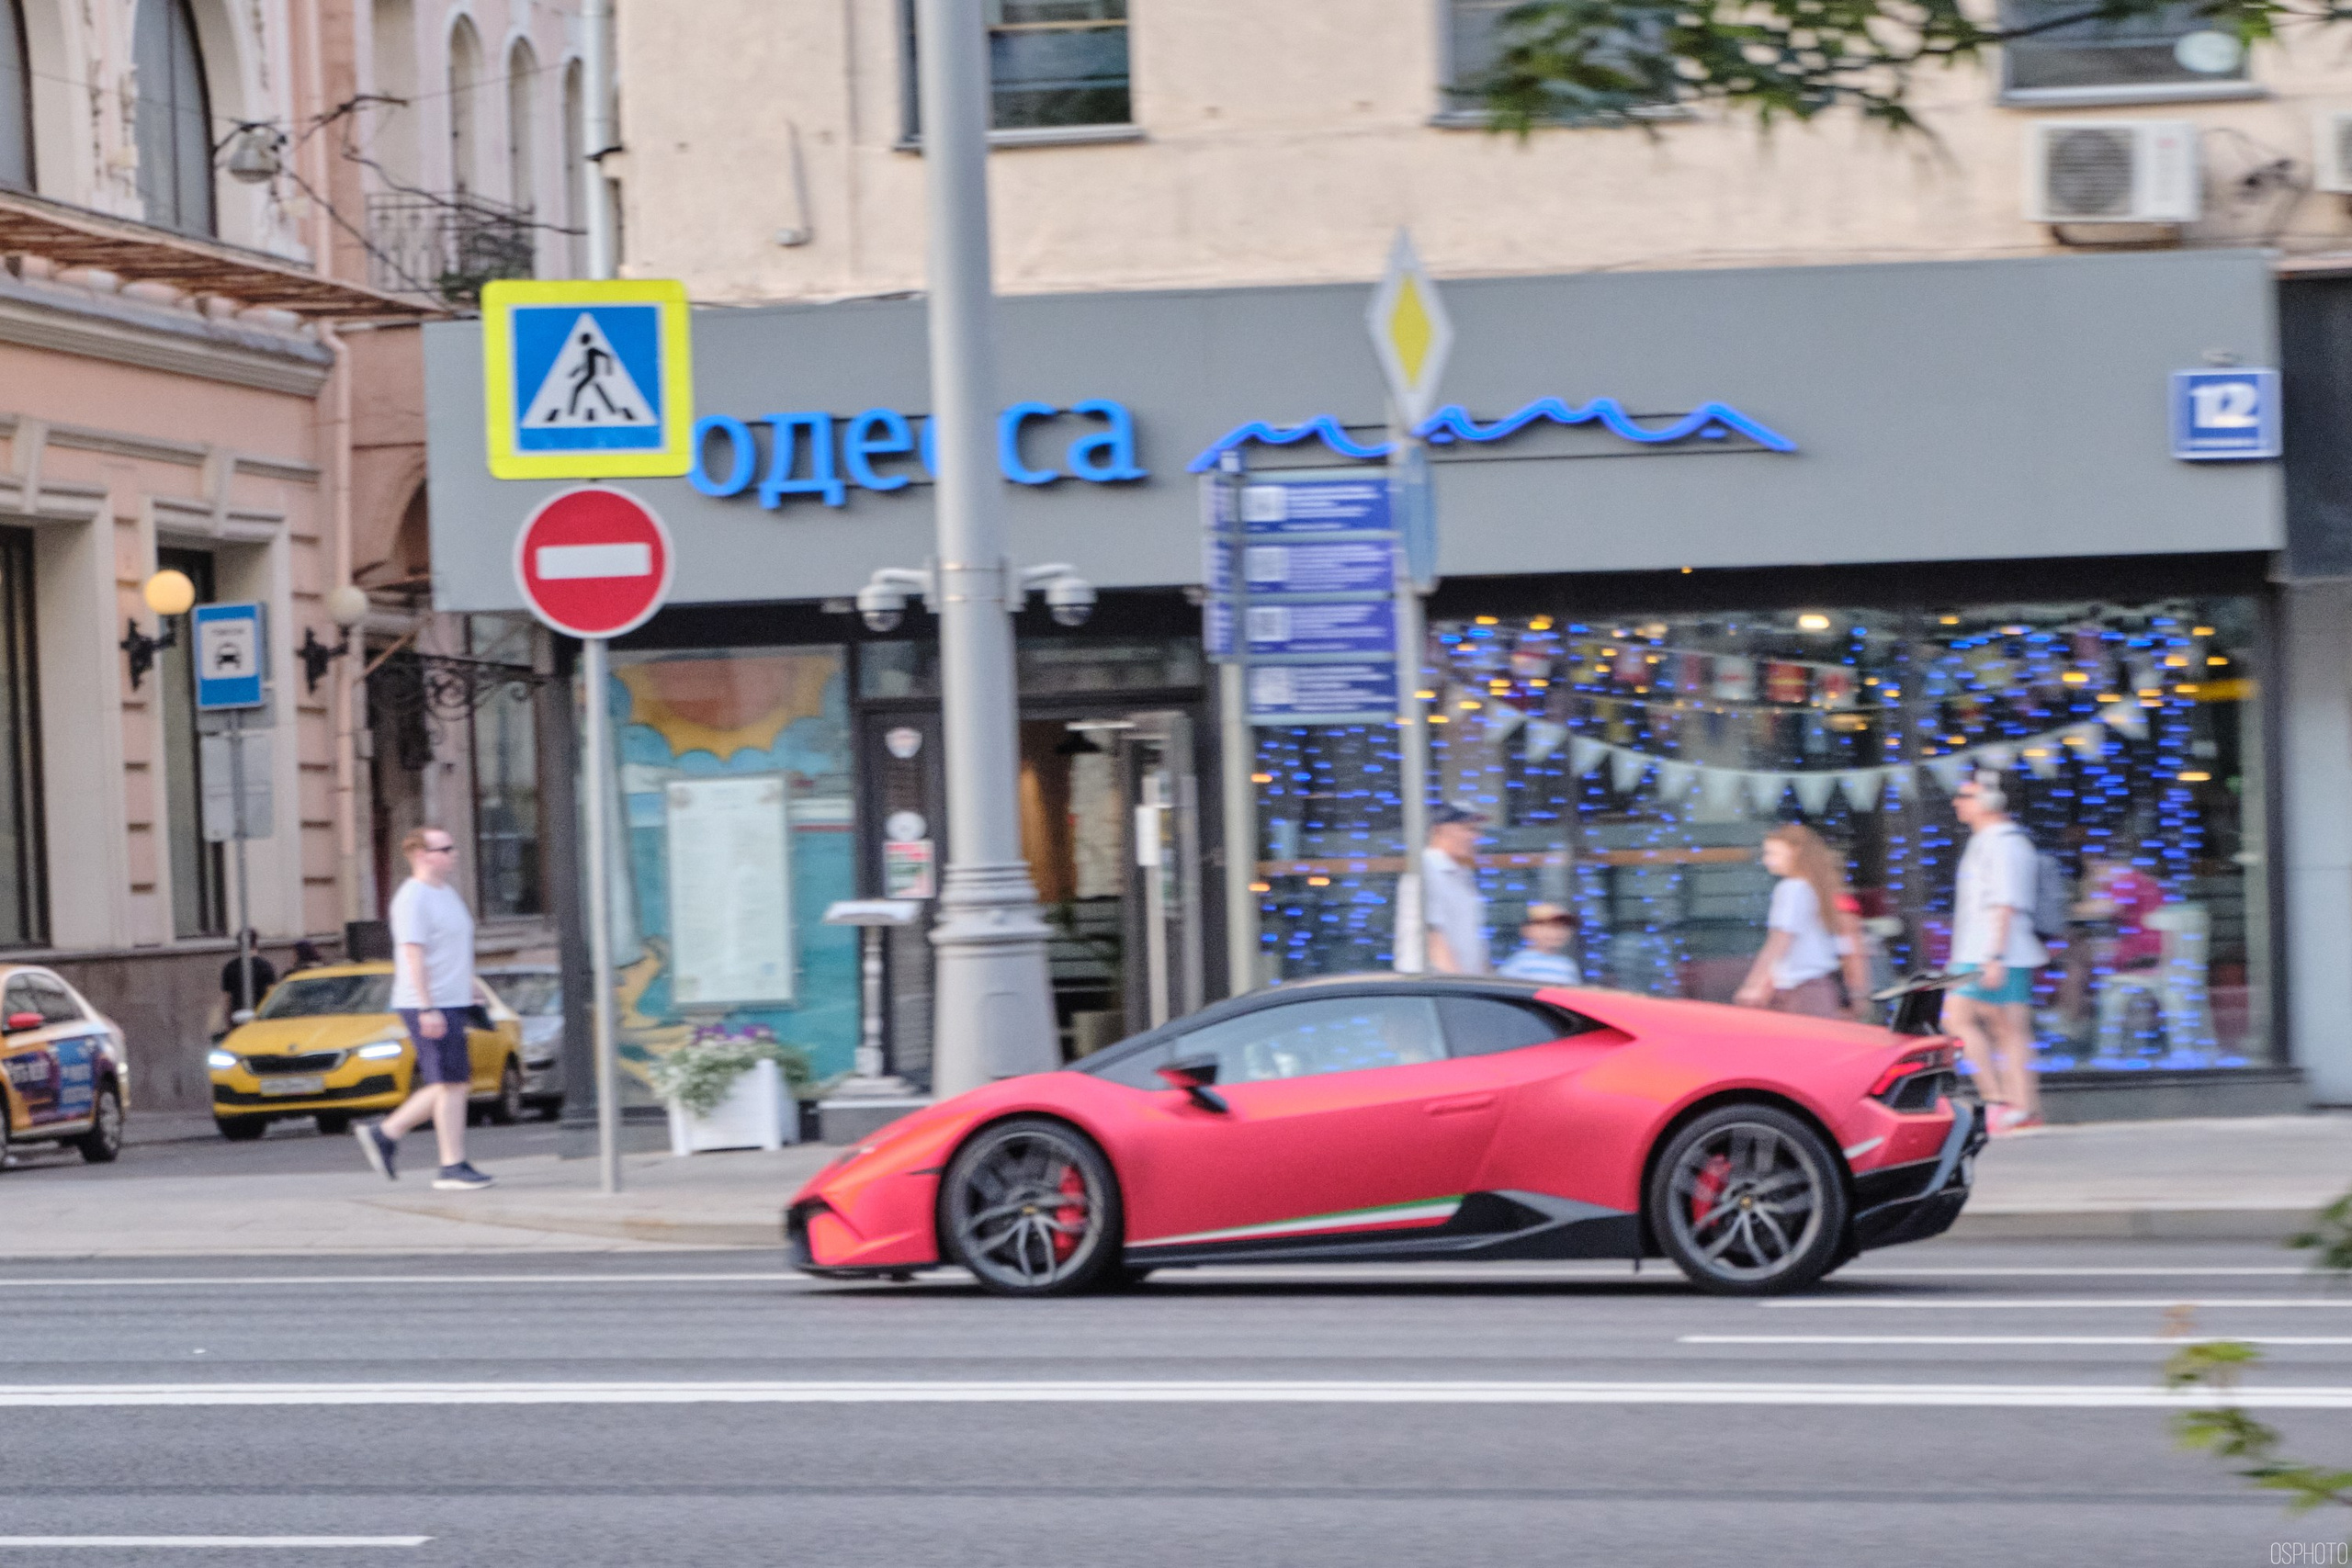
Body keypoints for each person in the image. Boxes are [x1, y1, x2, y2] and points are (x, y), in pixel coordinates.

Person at [354, 826, 493, 1190]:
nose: (454, 854)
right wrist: (427, 1007)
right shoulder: (412, 898)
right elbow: (412, 955)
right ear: (420, 855)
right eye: (445, 848)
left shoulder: (446, 893)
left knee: (454, 1082)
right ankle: (438, 1158)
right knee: (449, 1082)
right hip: (427, 1003)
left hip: (453, 998)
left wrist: (471, 984)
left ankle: (396, 1138)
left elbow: (451, 949)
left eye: (452, 847)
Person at [1948, 772, 2050, 1135]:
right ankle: (2011, 1103)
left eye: (1966, 796)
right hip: (1982, 950)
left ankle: (2010, 1103)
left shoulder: (2004, 843)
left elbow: (2005, 903)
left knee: (2003, 1027)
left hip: (1995, 950)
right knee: (1989, 1024)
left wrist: (1995, 955)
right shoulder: (1988, 841)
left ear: (1990, 801)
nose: (1958, 802)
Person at [1735, 824, 1869, 1020]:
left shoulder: (1792, 888)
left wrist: (1754, 985)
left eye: (1773, 853)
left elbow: (1780, 941)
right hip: (1823, 990)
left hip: (1800, 992)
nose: (1767, 861)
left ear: (1795, 851)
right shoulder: (1821, 892)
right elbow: (1847, 947)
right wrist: (1858, 993)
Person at [1421, 803, 1489, 976]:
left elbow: (1474, 939)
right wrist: (1459, 988)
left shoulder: (1462, 873)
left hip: (1465, 987)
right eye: (1467, 829)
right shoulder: (1425, 869)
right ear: (1440, 830)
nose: (1475, 837)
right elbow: (1433, 939)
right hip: (1440, 991)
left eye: (1476, 831)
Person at [1498, 903, 1582, 984]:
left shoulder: (1568, 965)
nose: (1558, 932)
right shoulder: (1520, 962)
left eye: (1564, 927)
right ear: (1527, 929)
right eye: (1551, 927)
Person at [219, 931, 277, 1017]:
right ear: (255, 944)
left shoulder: (230, 967)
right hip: (261, 1015)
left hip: (238, 1015)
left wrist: (227, 1018)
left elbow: (227, 999)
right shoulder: (265, 966)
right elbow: (271, 994)